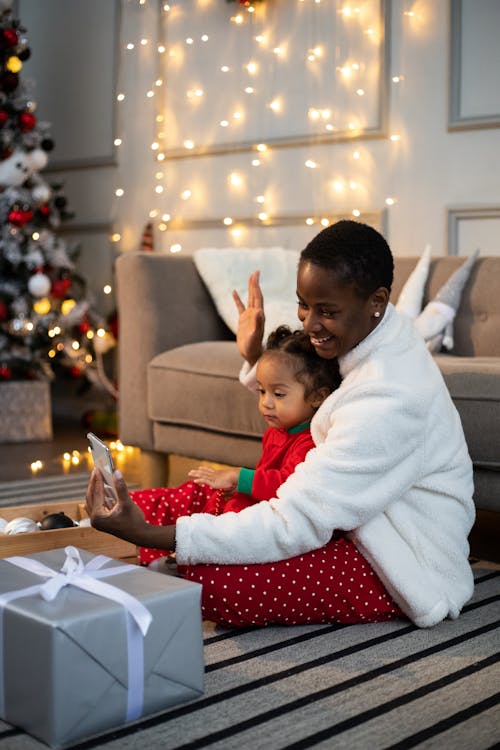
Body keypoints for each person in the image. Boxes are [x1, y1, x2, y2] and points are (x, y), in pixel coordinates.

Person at [86, 220, 475, 629]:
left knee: (212, 581)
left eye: (326, 311)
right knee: (187, 499)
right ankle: (131, 536)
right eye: (303, 304)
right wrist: (254, 357)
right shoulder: (370, 329)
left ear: (376, 300)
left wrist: (149, 536)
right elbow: (312, 386)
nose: (309, 324)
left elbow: (294, 520)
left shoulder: (389, 398)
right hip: (344, 514)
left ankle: (150, 551)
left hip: (397, 555)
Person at [131, 324, 340, 567]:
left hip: (268, 516)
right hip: (252, 501)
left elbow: (287, 485)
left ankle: (178, 559)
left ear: (317, 397)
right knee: (193, 493)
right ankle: (131, 513)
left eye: (278, 395)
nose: (265, 403)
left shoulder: (309, 443)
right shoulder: (279, 430)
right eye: (262, 391)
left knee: (227, 520)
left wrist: (239, 478)